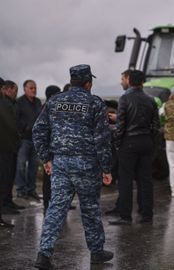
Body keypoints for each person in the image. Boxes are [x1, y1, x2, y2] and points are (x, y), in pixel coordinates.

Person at [32, 64, 114, 269]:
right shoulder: (94, 103)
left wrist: (46, 158)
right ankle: (96, 252)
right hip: (86, 163)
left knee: (56, 208)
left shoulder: (54, 101)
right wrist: (106, 168)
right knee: (90, 208)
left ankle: (44, 255)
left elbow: (38, 130)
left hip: (60, 163)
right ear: (89, 83)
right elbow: (102, 139)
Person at [109, 70, 160, 225]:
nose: (121, 81)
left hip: (129, 143)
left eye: (123, 79)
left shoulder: (125, 98)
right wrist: (150, 142)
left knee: (125, 180)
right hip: (146, 142)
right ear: (142, 82)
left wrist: (117, 144)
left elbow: (121, 125)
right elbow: (156, 126)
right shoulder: (151, 100)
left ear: (129, 80)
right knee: (146, 180)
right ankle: (147, 215)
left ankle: (125, 216)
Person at [15, 79, 42, 201]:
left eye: (35, 88)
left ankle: (31, 190)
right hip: (24, 140)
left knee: (34, 166)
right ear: (24, 89)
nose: (34, 90)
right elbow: (15, 118)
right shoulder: (19, 102)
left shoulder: (37, 102)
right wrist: (25, 127)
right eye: (31, 88)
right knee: (20, 165)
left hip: (36, 139)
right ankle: (21, 190)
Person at [0, 80, 21, 227]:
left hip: (8, 147)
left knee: (7, 179)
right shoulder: (3, 104)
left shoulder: (7, 103)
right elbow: (9, 126)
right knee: (3, 179)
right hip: (4, 148)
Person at [40, 85, 61, 214]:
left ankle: (51, 206)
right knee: (49, 180)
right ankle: (48, 206)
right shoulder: (49, 108)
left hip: (51, 149)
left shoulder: (49, 107)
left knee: (53, 180)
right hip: (50, 150)